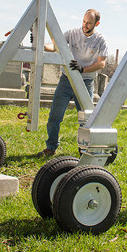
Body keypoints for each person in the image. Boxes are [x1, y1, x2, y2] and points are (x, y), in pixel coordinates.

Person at [36, 9, 108, 157]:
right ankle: (51, 148)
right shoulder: (72, 33)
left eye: (89, 23)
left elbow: (102, 64)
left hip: (86, 81)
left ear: (97, 23)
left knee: (86, 120)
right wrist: (40, 45)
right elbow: (56, 47)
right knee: (54, 116)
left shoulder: (100, 40)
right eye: (83, 21)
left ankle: (84, 151)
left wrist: (83, 69)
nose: (85, 25)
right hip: (66, 80)